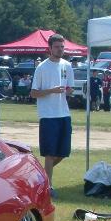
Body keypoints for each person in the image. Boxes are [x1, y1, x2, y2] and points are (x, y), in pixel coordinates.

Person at [30, 33, 74, 198]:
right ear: (49, 48)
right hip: (48, 115)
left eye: (62, 47)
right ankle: (49, 187)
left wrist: (68, 91)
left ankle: (40, 175)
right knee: (49, 153)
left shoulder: (67, 66)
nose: (60, 50)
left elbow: (70, 88)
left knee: (63, 152)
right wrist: (51, 91)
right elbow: (34, 93)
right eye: (57, 47)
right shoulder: (42, 67)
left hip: (64, 113)